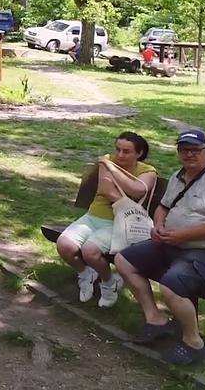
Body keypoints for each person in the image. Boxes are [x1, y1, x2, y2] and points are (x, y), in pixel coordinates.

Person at [115, 129, 205, 366]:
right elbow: (163, 207)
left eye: (195, 150)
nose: (189, 155)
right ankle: (156, 319)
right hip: (174, 244)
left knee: (172, 284)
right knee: (124, 260)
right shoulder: (179, 176)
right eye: (184, 150)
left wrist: (182, 235)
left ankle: (194, 343)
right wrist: (159, 226)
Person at [55, 132, 157, 308]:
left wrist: (111, 168)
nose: (120, 155)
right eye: (118, 149)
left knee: (90, 252)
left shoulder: (147, 171)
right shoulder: (108, 160)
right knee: (64, 245)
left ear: (139, 154)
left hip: (119, 224)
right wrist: (125, 197)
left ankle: (109, 283)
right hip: (93, 216)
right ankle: (86, 274)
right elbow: (106, 189)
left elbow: (138, 190)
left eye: (126, 151)